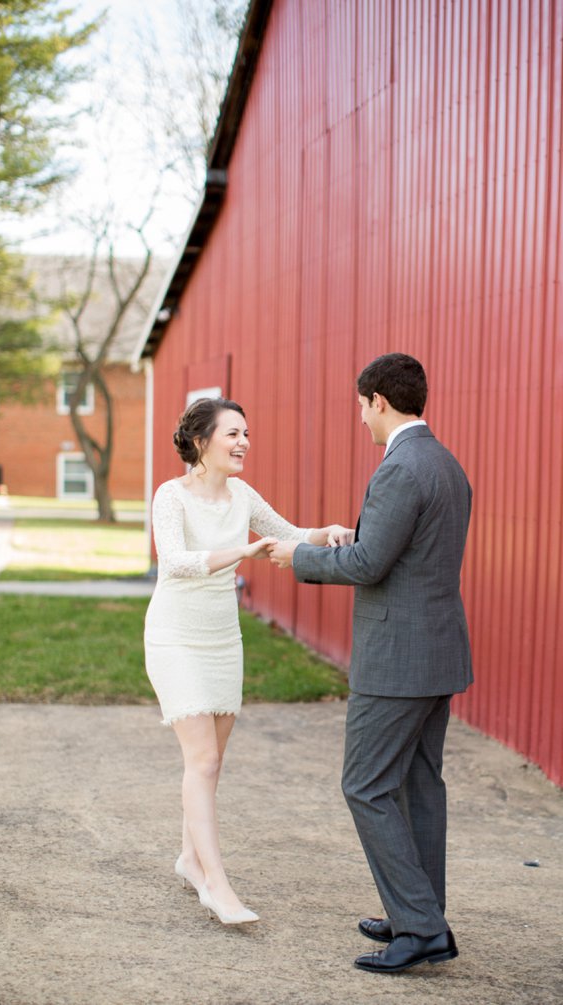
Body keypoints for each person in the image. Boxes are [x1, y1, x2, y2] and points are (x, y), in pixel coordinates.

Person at [269, 353, 473, 973]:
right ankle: (420, 912)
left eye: (361, 406)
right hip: (437, 653)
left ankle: (420, 928)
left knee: (364, 785)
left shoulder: (399, 469)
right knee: (418, 788)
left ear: (379, 401)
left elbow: (369, 567)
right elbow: (398, 555)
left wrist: (298, 555)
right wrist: (349, 542)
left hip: (397, 663)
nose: (360, 419)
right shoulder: (445, 463)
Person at [144, 396, 352, 926]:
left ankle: (190, 859)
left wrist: (321, 533)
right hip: (175, 636)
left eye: (246, 434)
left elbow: (284, 531)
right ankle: (217, 885)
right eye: (232, 434)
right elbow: (175, 562)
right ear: (200, 442)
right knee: (203, 760)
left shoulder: (241, 495)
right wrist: (243, 552)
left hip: (221, 639)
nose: (243, 443)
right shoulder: (171, 496)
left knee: (211, 761)